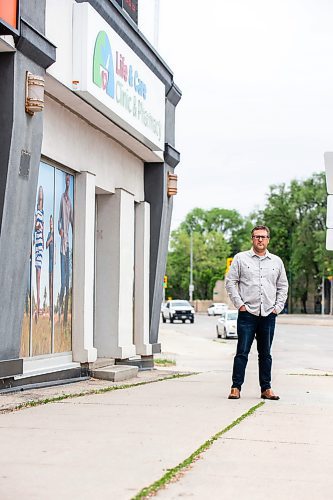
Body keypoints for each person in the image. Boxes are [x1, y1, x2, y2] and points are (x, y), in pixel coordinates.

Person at [225, 225, 288, 400]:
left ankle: (266, 389)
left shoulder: (276, 262)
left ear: (268, 239)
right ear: (252, 239)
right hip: (247, 314)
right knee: (242, 352)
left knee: (266, 354)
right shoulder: (240, 259)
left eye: (263, 236)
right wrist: (240, 305)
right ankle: (235, 387)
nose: (260, 239)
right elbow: (231, 282)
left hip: (268, 314)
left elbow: (283, 286)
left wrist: (277, 308)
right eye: (257, 236)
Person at [58, 174, 73, 323]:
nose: (68, 183)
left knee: (68, 283)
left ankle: (64, 318)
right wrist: (60, 230)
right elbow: (58, 221)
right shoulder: (62, 199)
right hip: (63, 246)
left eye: (69, 180)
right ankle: (60, 309)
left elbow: (73, 222)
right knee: (63, 282)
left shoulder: (70, 203)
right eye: (67, 180)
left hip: (68, 246)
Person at [34, 186, 44, 321]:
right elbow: (36, 227)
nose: (41, 199)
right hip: (37, 246)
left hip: (40, 247)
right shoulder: (37, 212)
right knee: (37, 277)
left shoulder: (41, 212)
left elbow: (41, 228)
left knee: (39, 276)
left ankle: (38, 305)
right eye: (40, 198)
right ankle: (37, 306)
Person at [46, 215, 54, 322]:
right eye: (50, 222)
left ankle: (53, 314)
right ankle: (51, 315)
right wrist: (49, 240)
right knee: (50, 288)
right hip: (50, 265)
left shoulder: (55, 234)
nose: (51, 224)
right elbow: (46, 245)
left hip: (54, 265)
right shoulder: (49, 234)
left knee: (53, 287)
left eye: (52, 222)